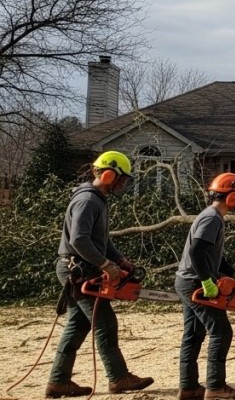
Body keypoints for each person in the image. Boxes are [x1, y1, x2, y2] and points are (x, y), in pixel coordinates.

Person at [47, 150, 154, 398]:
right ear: (108, 175)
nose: (124, 185)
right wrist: (106, 265)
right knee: (105, 324)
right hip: (78, 269)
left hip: (81, 267)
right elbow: (80, 240)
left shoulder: (97, 200)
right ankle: (118, 378)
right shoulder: (88, 200)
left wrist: (120, 260)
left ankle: (58, 382)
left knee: (77, 325)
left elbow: (101, 241)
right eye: (123, 179)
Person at [175, 173, 235, 400]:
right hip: (194, 281)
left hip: (186, 279)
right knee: (221, 331)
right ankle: (215, 387)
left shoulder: (211, 216)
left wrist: (233, 273)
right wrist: (207, 281)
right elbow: (196, 251)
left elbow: (212, 255)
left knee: (193, 334)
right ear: (232, 197)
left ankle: (188, 388)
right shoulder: (212, 218)